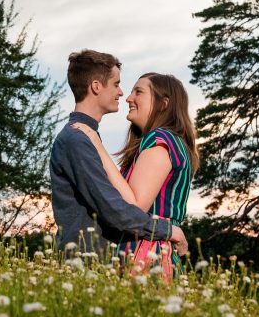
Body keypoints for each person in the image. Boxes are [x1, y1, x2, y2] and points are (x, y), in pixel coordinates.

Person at [50, 50, 188, 259]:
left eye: (137, 92)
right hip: (85, 261)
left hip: (98, 261)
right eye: (116, 84)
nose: (123, 94)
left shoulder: (86, 137)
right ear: (96, 86)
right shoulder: (77, 138)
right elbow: (114, 210)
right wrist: (167, 230)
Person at [72, 72, 200, 282]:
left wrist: (96, 144)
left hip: (145, 251)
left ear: (163, 103)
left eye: (138, 92)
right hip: (155, 248)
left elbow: (135, 206)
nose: (129, 98)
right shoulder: (170, 142)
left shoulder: (160, 139)